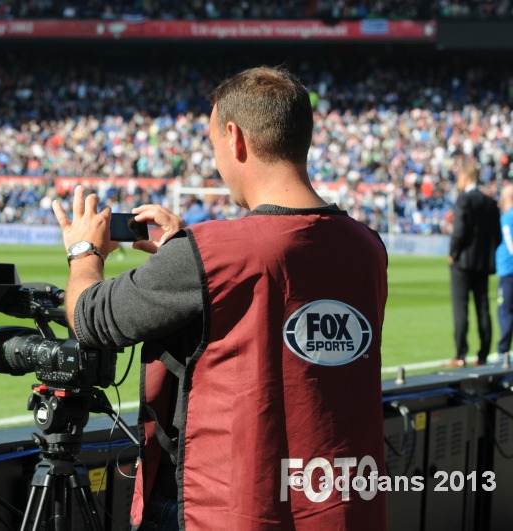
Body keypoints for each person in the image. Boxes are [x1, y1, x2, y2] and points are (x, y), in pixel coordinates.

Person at [52, 66, 389, 531]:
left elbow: (91, 318)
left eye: (213, 146)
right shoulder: (369, 247)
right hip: (338, 507)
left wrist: (83, 251)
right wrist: (185, 251)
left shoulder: (214, 252)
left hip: (224, 509)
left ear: (234, 138)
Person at [445, 161, 501, 368]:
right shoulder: (489, 202)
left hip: (463, 264)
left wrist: (453, 253)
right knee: (483, 308)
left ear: (467, 177)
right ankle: (483, 355)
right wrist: (487, 255)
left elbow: (459, 231)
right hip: (483, 264)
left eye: (460, 177)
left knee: (461, 309)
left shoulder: (464, 200)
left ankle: (460, 355)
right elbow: (497, 235)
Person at [496, 184, 513, 362]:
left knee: (505, 311)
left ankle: (503, 352)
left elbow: (510, 246)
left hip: (509, 272)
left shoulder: (507, 218)